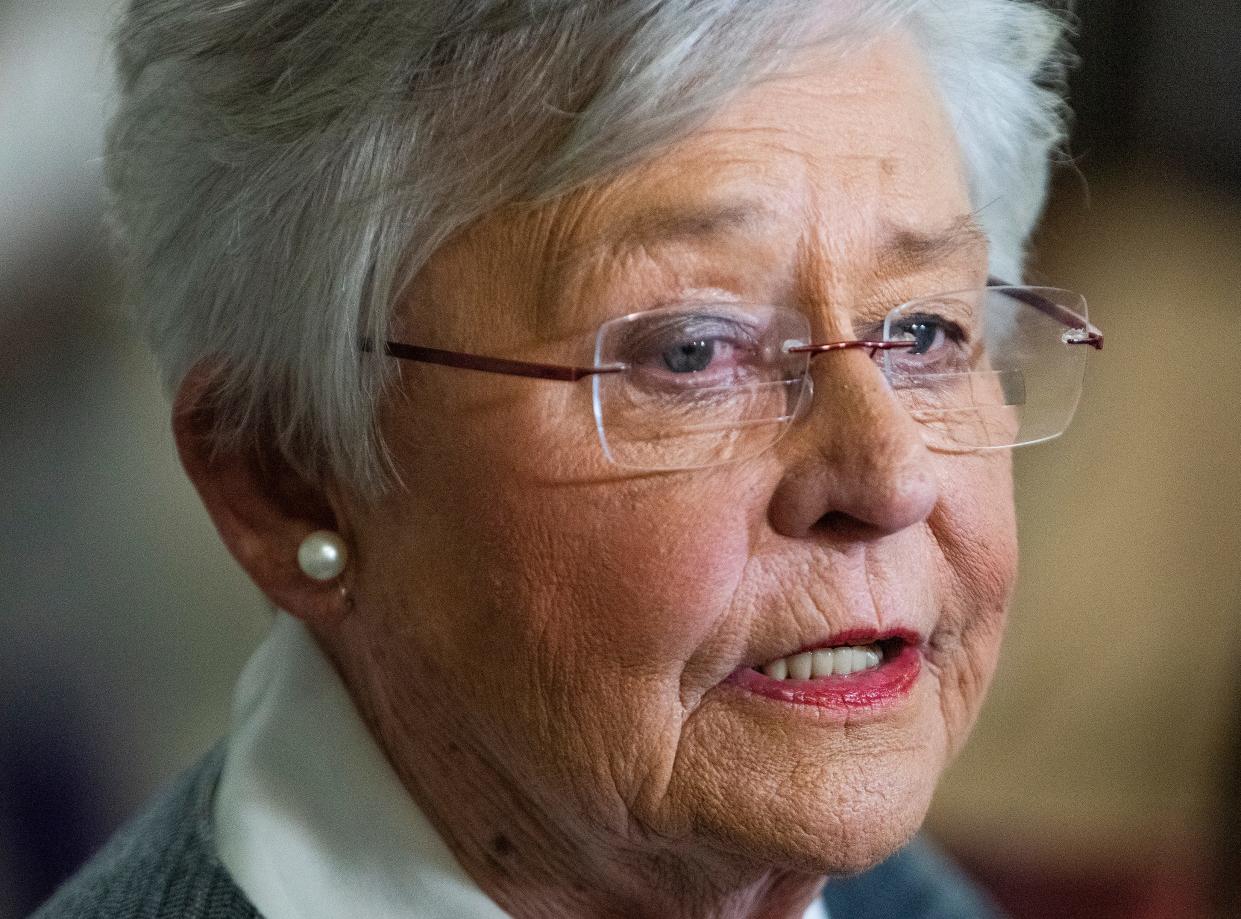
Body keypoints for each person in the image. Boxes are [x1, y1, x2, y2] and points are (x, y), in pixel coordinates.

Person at [37, 1, 1101, 916]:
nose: (889, 475)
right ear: (285, 473)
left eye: (921, 334)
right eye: (691, 351)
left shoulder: (893, 892)